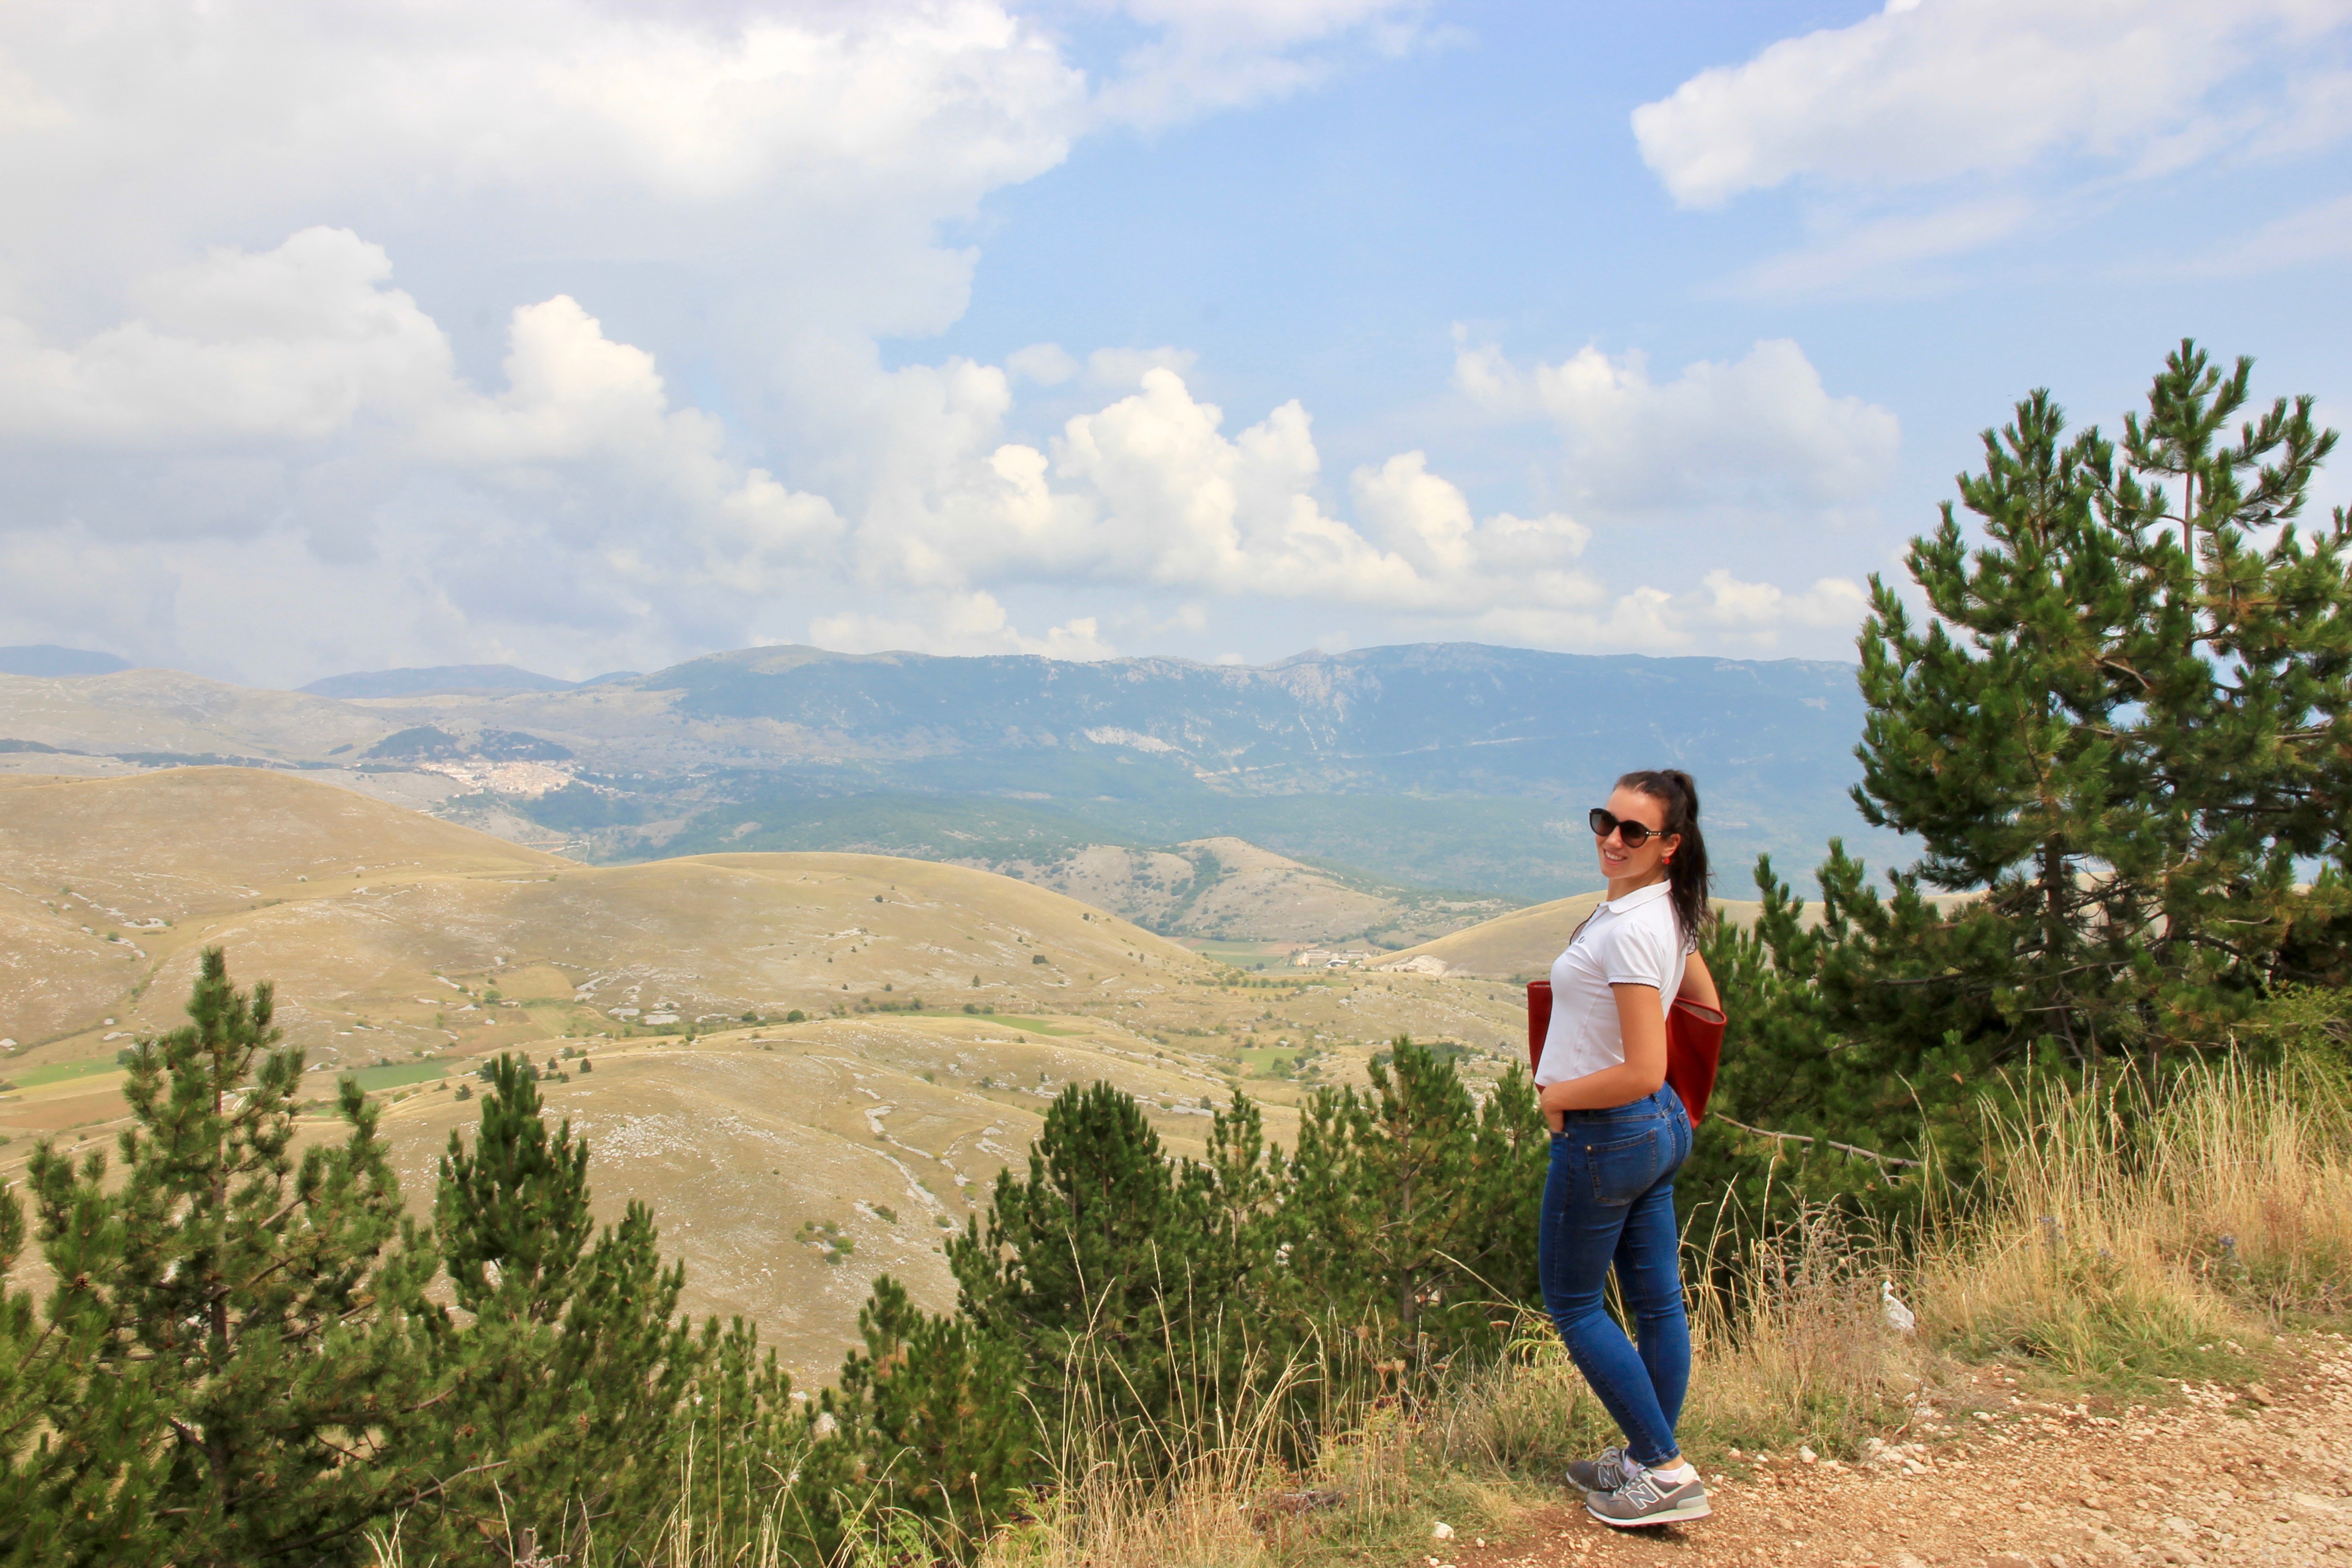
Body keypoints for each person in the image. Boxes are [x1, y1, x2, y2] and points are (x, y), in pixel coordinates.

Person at [1535, 768, 1718, 1529]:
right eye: (1605, 822)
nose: (1613, 840)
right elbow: (1707, 1006)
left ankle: (1665, 1469)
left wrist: (1559, 1096)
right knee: (1655, 1304)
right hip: (1657, 1127)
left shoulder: (1638, 928)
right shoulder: (1666, 912)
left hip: (1609, 1134)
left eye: (1634, 832)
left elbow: (1643, 1065)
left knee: (1575, 1306)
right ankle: (1646, 1458)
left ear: (1669, 846)